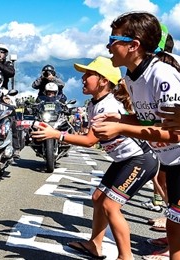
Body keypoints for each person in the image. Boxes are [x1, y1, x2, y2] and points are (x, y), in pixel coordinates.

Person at [90, 12, 180, 260]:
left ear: (134, 45)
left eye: (113, 39)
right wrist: (120, 119)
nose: (108, 46)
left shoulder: (162, 75)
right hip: (174, 161)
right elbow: (151, 120)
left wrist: (121, 128)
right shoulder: (130, 76)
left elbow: (174, 134)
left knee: (179, 237)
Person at [32, 56, 159, 260]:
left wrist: (57, 135)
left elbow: (90, 141)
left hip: (140, 159)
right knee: (98, 198)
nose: (83, 78)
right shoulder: (94, 104)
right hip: (124, 160)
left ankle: (125, 257)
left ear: (103, 80)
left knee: (110, 205)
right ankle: (94, 244)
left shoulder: (108, 105)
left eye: (88, 74)